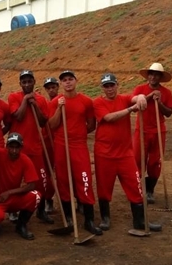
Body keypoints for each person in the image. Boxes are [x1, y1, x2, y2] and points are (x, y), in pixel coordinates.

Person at [93, 73, 162, 232]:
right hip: (104, 154)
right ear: (102, 88)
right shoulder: (97, 102)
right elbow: (109, 118)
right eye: (106, 86)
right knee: (104, 187)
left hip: (125, 154)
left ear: (117, 85)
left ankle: (140, 221)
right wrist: (131, 109)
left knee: (135, 184)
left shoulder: (124, 98)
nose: (109, 89)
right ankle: (105, 218)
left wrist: (140, 98)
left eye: (112, 85)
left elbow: (134, 97)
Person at [48, 70, 103, 236]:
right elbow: (51, 125)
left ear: (76, 81)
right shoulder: (56, 101)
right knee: (63, 179)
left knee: (84, 177)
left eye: (70, 79)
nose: (68, 82)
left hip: (78, 145)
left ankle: (89, 220)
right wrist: (59, 108)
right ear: (61, 84)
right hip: (60, 143)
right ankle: (69, 219)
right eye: (64, 80)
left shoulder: (86, 101)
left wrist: (78, 134)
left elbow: (91, 124)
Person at [8, 70, 54, 224]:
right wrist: (26, 100)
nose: (27, 84)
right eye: (24, 82)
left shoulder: (41, 100)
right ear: (20, 83)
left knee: (42, 181)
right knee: (15, 181)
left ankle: (41, 210)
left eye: (29, 81)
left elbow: (43, 122)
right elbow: (19, 116)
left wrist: (35, 105)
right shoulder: (14, 97)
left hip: (35, 147)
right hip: (17, 149)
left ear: (34, 82)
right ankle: (13, 211)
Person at [133, 63, 172, 204]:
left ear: (160, 77)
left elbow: (169, 112)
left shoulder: (166, 92)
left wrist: (160, 102)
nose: (153, 77)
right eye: (151, 74)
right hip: (142, 130)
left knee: (155, 162)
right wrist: (150, 96)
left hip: (158, 131)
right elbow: (135, 106)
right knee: (138, 160)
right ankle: (138, 190)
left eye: (156, 74)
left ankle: (150, 190)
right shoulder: (140, 90)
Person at [0, 133, 41, 240]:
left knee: (36, 196)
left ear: (21, 148)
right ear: (6, 146)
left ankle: (21, 225)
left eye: (17, 148)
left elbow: (32, 185)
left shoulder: (25, 160)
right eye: (11, 147)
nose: (14, 151)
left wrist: (9, 193)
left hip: (13, 197)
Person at [42, 77, 59, 213]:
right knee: (47, 172)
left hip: (60, 140)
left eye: (53, 87)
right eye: (48, 88)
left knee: (64, 171)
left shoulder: (62, 101)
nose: (51, 89)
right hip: (47, 141)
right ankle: (48, 199)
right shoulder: (45, 104)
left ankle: (76, 199)